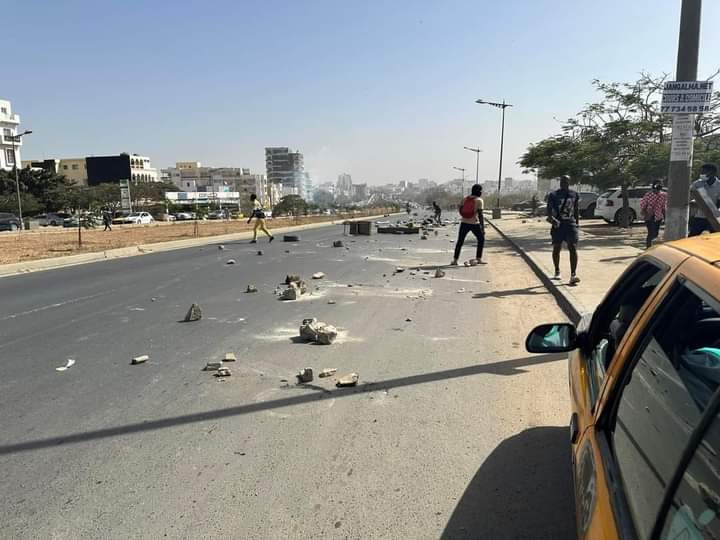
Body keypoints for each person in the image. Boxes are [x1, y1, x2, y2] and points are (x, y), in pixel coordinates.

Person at [547, 175, 580, 284]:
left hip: (570, 224)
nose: (564, 183)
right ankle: (557, 271)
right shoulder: (553, 195)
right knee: (557, 247)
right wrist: (552, 219)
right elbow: (548, 211)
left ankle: (573, 274)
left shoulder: (574, 194)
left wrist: (577, 224)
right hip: (558, 225)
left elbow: (576, 210)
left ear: (569, 182)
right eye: (562, 181)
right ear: (560, 182)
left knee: (573, 247)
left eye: (566, 181)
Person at [451, 184, 485, 266]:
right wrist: (482, 227)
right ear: (478, 191)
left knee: (460, 241)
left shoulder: (465, 199)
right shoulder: (479, 200)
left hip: (464, 223)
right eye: (481, 191)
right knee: (481, 239)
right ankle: (479, 258)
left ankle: (455, 260)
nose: (481, 192)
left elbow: (461, 210)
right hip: (474, 223)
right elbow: (480, 215)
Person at [689, 163, 720, 236]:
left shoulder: (719, 186)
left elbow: (718, 204)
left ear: (713, 173)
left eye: (705, 172)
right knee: (692, 236)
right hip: (699, 216)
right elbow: (690, 196)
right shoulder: (697, 184)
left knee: (714, 238)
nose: (702, 174)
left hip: (715, 217)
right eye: (702, 172)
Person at [639, 181, 667, 248]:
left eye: (658, 189)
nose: (657, 191)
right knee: (651, 233)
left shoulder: (664, 195)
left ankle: (652, 246)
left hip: (658, 217)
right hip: (649, 216)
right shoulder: (648, 195)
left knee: (655, 233)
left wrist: (665, 217)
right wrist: (646, 211)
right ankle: (648, 247)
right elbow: (643, 205)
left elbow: (663, 207)